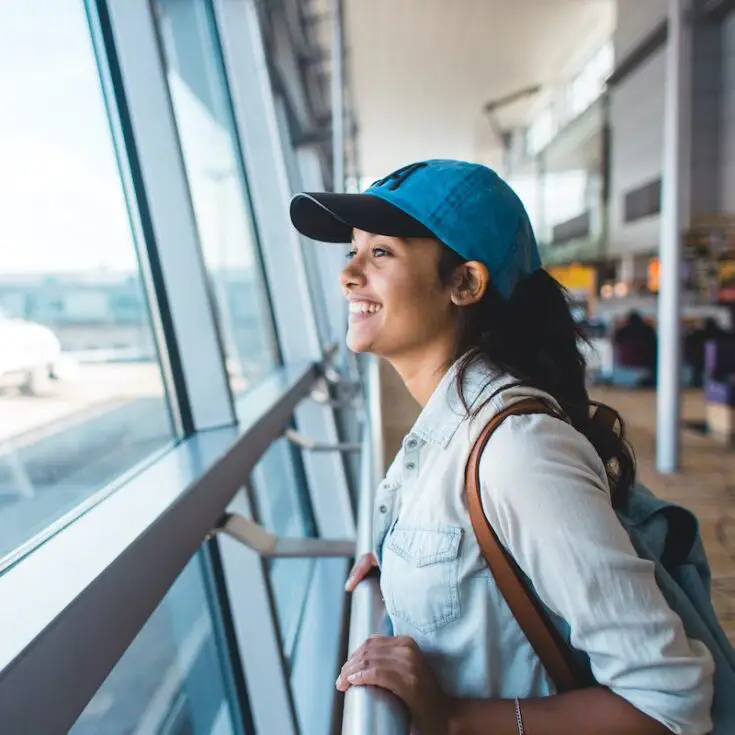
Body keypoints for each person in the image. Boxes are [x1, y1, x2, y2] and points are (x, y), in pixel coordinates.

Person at [290, 160, 714, 735]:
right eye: (353, 252)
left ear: (465, 283)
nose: (348, 275)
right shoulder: (450, 426)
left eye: (381, 253)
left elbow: (668, 700)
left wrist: (454, 717)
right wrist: (396, 566)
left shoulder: (520, 452)